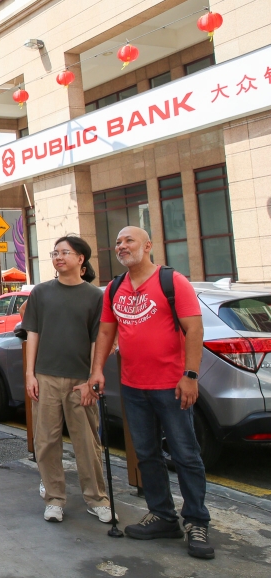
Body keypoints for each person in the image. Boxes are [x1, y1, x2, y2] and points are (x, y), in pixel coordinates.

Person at [85, 226, 213, 559]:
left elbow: (195, 329)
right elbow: (106, 332)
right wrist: (97, 370)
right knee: (146, 454)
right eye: (117, 242)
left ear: (148, 246)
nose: (121, 246)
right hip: (133, 386)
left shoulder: (173, 282)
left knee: (185, 455)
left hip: (171, 386)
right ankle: (163, 517)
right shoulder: (115, 288)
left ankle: (196, 521)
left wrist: (190, 376)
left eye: (129, 240)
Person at [20, 235, 111, 524]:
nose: (58, 257)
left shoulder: (95, 296)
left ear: (81, 259)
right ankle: (54, 499)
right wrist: (30, 374)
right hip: (45, 377)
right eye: (55, 253)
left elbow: (98, 340)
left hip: (80, 381)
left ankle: (97, 499)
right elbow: (32, 333)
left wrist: (92, 377)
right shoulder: (41, 293)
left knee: (87, 443)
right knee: (46, 441)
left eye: (65, 252)